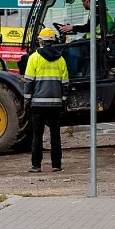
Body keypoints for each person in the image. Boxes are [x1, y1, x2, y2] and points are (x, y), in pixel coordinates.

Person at [24, 27, 70, 173]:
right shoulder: (61, 59)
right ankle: (56, 165)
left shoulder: (34, 58)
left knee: (37, 135)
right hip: (56, 104)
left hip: (38, 104)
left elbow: (29, 82)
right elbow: (65, 83)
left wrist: (27, 101)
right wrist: (63, 101)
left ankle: (36, 165)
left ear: (41, 41)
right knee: (55, 135)